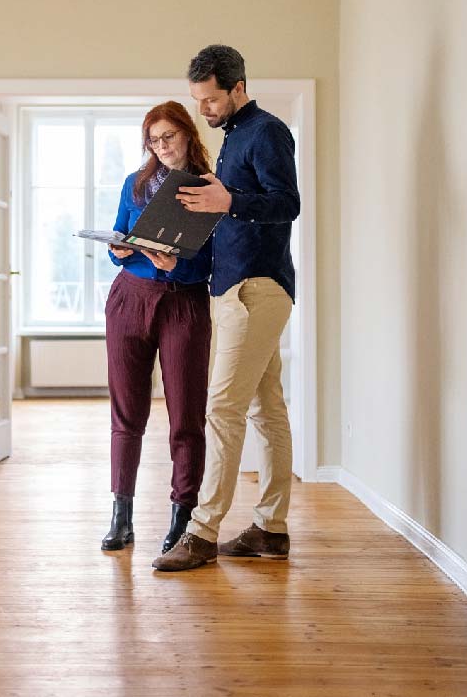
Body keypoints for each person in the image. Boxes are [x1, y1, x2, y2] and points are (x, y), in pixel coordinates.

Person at [152, 44, 300, 571]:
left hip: (256, 290)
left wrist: (229, 200)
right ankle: (270, 530)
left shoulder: (267, 132)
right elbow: (229, 224)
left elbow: (288, 204)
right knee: (266, 410)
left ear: (238, 87)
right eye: (199, 101)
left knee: (222, 410)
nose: (204, 111)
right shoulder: (234, 139)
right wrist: (174, 253)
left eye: (211, 100)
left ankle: (202, 530)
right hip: (233, 289)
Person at [100, 101, 216, 554]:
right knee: (126, 412)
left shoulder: (209, 188)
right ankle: (121, 515)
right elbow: (118, 236)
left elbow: (213, 260)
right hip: (129, 298)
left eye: (168, 136)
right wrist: (121, 251)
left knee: (186, 416)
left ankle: (182, 516)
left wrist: (177, 263)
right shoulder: (136, 183)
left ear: (187, 134)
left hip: (184, 303)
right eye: (153, 139)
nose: (161, 146)